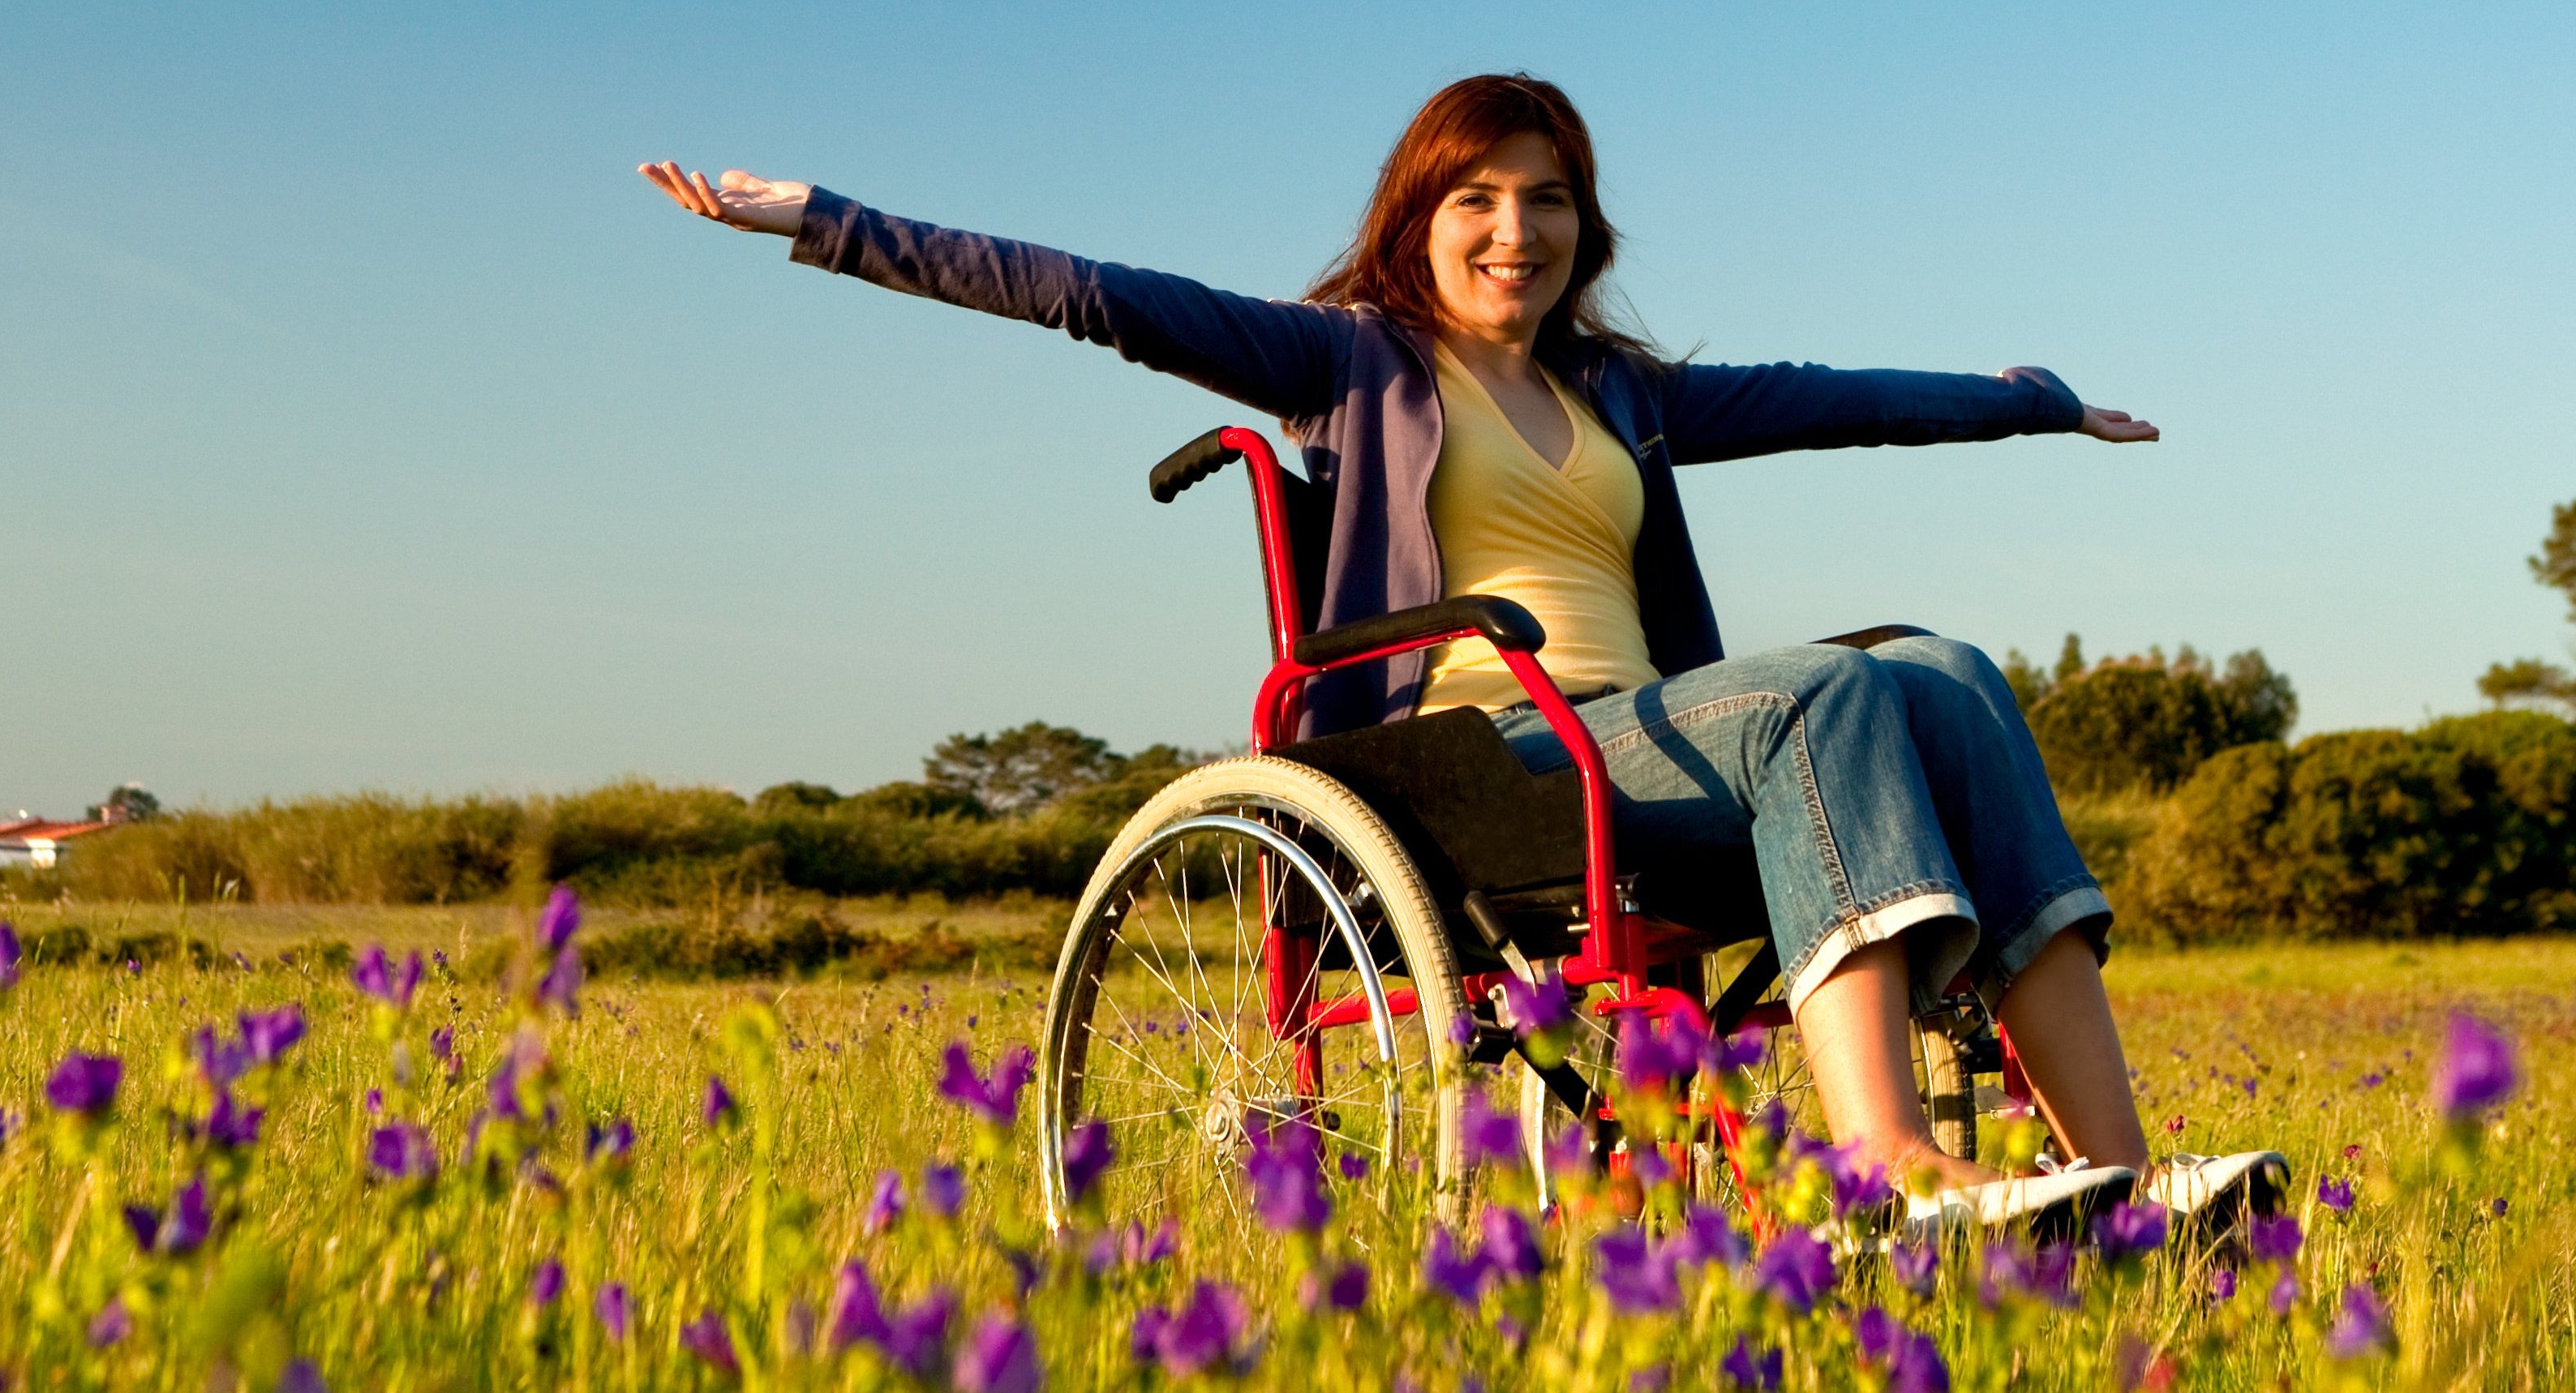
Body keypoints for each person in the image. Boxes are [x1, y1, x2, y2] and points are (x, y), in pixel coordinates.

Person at [638, 73, 2282, 1235]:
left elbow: (1833, 395)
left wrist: (2028, 402)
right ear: (1416, 219)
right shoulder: (1347, 358)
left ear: (1586, 223)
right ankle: (1883, 1172)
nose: (1516, 228)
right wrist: (822, 219)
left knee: (1950, 672)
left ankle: (2127, 1187)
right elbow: (1088, 293)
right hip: (1476, 763)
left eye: (1547, 197)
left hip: (1646, 744)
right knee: (1830, 686)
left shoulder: (1621, 390)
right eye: (1477, 198)